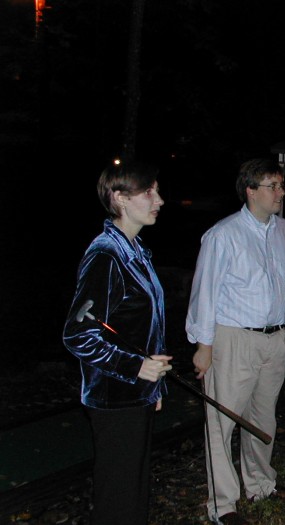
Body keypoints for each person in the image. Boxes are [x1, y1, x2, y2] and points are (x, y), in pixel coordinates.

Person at [186, 157, 285, 525]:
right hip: (233, 339)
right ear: (250, 191)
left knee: (263, 419)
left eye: (281, 186)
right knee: (221, 422)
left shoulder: (283, 230)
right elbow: (204, 293)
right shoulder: (223, 235)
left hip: (275, 338)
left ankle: (260, 484)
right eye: (272, 186)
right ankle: (223, 505)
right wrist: (203, 345)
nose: (280, 193)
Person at [62, 161, 172, 525]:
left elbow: (138, 327)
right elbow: (79, 334)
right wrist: (136, 367)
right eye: (148, 192)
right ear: (120, 199)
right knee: (118, 497)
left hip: (135, 394)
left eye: (156, 190)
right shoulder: (107, 254)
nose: (159, 199)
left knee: (133, 492)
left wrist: (152, 387)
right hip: (114, 398)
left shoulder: (134, 250)